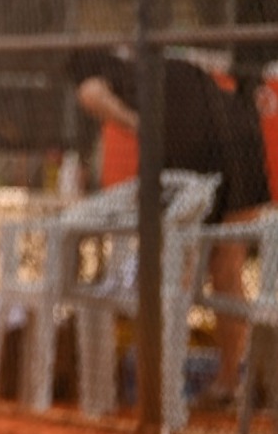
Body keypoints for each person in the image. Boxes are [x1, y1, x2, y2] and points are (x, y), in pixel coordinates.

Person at [71, 50, 272, 407]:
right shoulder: (171, 64)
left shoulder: (111, 71)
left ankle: (160, 392)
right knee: (228, 271)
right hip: (241, 135)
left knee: (176, 272)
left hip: (192, 145)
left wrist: (136, 124)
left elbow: (90, 93)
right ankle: (228, 382)